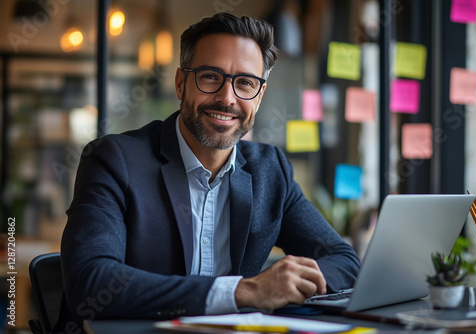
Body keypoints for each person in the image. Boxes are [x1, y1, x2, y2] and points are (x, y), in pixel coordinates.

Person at [61, 12, 360, 321]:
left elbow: (344, 261)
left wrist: (287, 281)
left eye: (245, 83)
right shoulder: (114, 160)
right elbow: (92, 282)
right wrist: (243, 291)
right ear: (180, 83)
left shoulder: (270, 170)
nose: (226, 98)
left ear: (259, 98)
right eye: (210, 77)